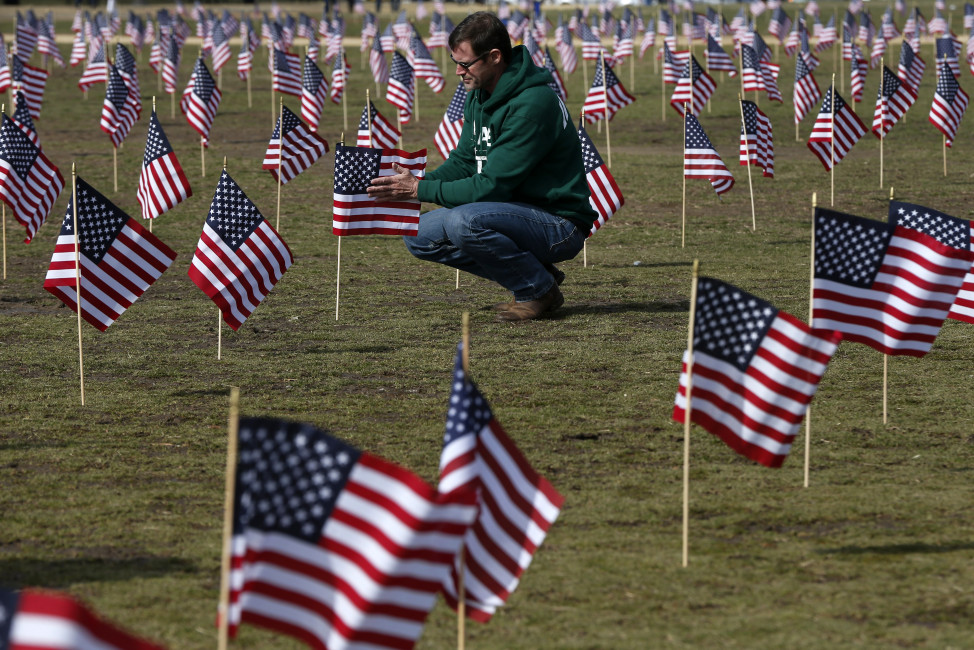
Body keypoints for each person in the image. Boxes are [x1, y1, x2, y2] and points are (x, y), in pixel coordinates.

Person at [367, 11, 598, 322]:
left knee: (465, 222)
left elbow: (491, 186)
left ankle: (536, 291)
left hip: (558, 223)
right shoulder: (479, 92)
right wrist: (416, 185)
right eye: (455, 64)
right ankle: (537, 277)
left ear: (494, 57)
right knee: (418, 233)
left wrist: (420, 188)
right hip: (510, 211)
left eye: (465, 63)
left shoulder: (532, 104)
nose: (459, 72)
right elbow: (464, 161)